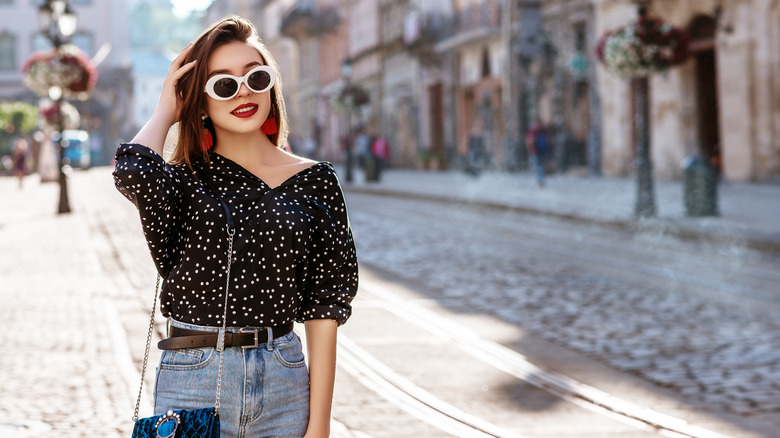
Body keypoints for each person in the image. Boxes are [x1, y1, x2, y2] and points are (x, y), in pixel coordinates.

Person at [112, 16, 358, 438]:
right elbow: (132, 170)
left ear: (271, 86)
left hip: (285, 380)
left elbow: (323, 307)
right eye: (223, 84)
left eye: (255, 77)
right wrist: (166, 109)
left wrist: (321, 424)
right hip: (193, 381)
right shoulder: (183, 181)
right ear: (200, 102)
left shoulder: (316, 180)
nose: (243, 91)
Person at [526, 119, 549, 187]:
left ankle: (540, 180)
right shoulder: (544, 130)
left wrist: (529, 148)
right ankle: (541, 180)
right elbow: (549, 140)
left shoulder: (533, 130)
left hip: (535, 151)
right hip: (542, 150)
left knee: (537, 166)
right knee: (541, 166)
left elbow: (530, 141)